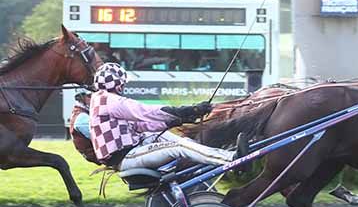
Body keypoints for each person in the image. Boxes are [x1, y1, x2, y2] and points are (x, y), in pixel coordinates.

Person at [89, 62, 243, 171]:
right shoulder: (109, 101)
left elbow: (142, 126)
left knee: (179, 141)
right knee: (179, 147)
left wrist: (178, 121)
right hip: (126, 158)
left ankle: (221, 155)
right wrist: (189, 110)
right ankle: (231, 159)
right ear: (119, 84)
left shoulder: (102, 100)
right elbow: (147, 112)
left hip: (130, 151)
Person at [69, 88, 100, 165]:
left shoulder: (83, 112)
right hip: (98, 155)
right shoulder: (82, 117)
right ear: (81, 98)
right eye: (90, 96)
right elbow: (100, 138)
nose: (94, 99)